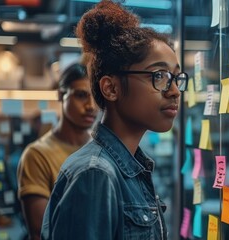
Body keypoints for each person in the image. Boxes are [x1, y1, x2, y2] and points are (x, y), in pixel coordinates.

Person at [40, 1, 188, 239]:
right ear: (111, 88)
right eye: (159, 76)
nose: (174, 91)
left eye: (176, 77)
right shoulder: (95, 174)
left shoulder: (127, 168)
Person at [17, 62, 98, 240]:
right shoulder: (37, 155)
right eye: (81, 95)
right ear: (62, 95)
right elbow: (39, 232)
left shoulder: (103, 152)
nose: (91, 106)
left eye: (95, 97)